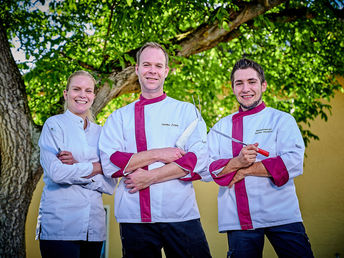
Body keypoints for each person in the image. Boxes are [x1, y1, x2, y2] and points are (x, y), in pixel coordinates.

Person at [99, 42, 212, 258]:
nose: (152, 71)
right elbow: (111, 161)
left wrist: (150, 177)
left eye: (158, 66)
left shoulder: (186, 111)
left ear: (167, 71)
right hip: (134, 217)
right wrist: (158, 154)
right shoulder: (118, 117)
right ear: (137, 69)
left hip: (180, 213)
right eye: (147, 64)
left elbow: (198, 159)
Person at [208, 58, 314, 258]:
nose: (245, 88)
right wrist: (237, 162)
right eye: (239, 83)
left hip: (283, 214)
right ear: (232, 88)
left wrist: (245, 170)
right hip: (239, 220)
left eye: (251, 82)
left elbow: (293, 162)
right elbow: (209, 168)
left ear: (263, 85)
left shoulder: (282, 120)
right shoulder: (220, 127)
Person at [36, 70, 116, 258]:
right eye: (76, 89)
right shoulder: (54, 125)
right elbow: (57, 173)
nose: (82, 95)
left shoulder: (102, 133)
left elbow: (111, 184)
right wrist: (98, 168)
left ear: (94, 96)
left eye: (88, 90)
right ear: (66, 94)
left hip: (93, 227)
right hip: (60, 226)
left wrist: (77, 166)